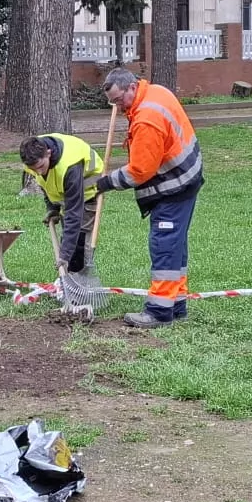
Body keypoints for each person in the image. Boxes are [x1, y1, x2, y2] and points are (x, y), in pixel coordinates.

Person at [92, 67, 203, 327]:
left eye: (119, 100)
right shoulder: (155, 92)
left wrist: (106, 182)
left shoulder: (146, 118)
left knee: (164, 244)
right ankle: (177, 304)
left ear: (132, 87)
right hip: (188, 176)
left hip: (173, 186)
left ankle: (159, 312)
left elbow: (140, 171)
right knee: (175, 245)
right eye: (113, 102)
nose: (118, 108)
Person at [19, 131, 104, 278]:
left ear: (49, 153)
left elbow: (73, 213)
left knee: (79, 240)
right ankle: (70, 279)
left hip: (88, 191)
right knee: (70, 237)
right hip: (66, 194)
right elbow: (45, 184)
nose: (38, 172)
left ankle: (80, 282)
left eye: (41, 166)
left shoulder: (69, 165)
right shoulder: (32, 160)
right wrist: (52, 208)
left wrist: (64, 255)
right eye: (34, 169)